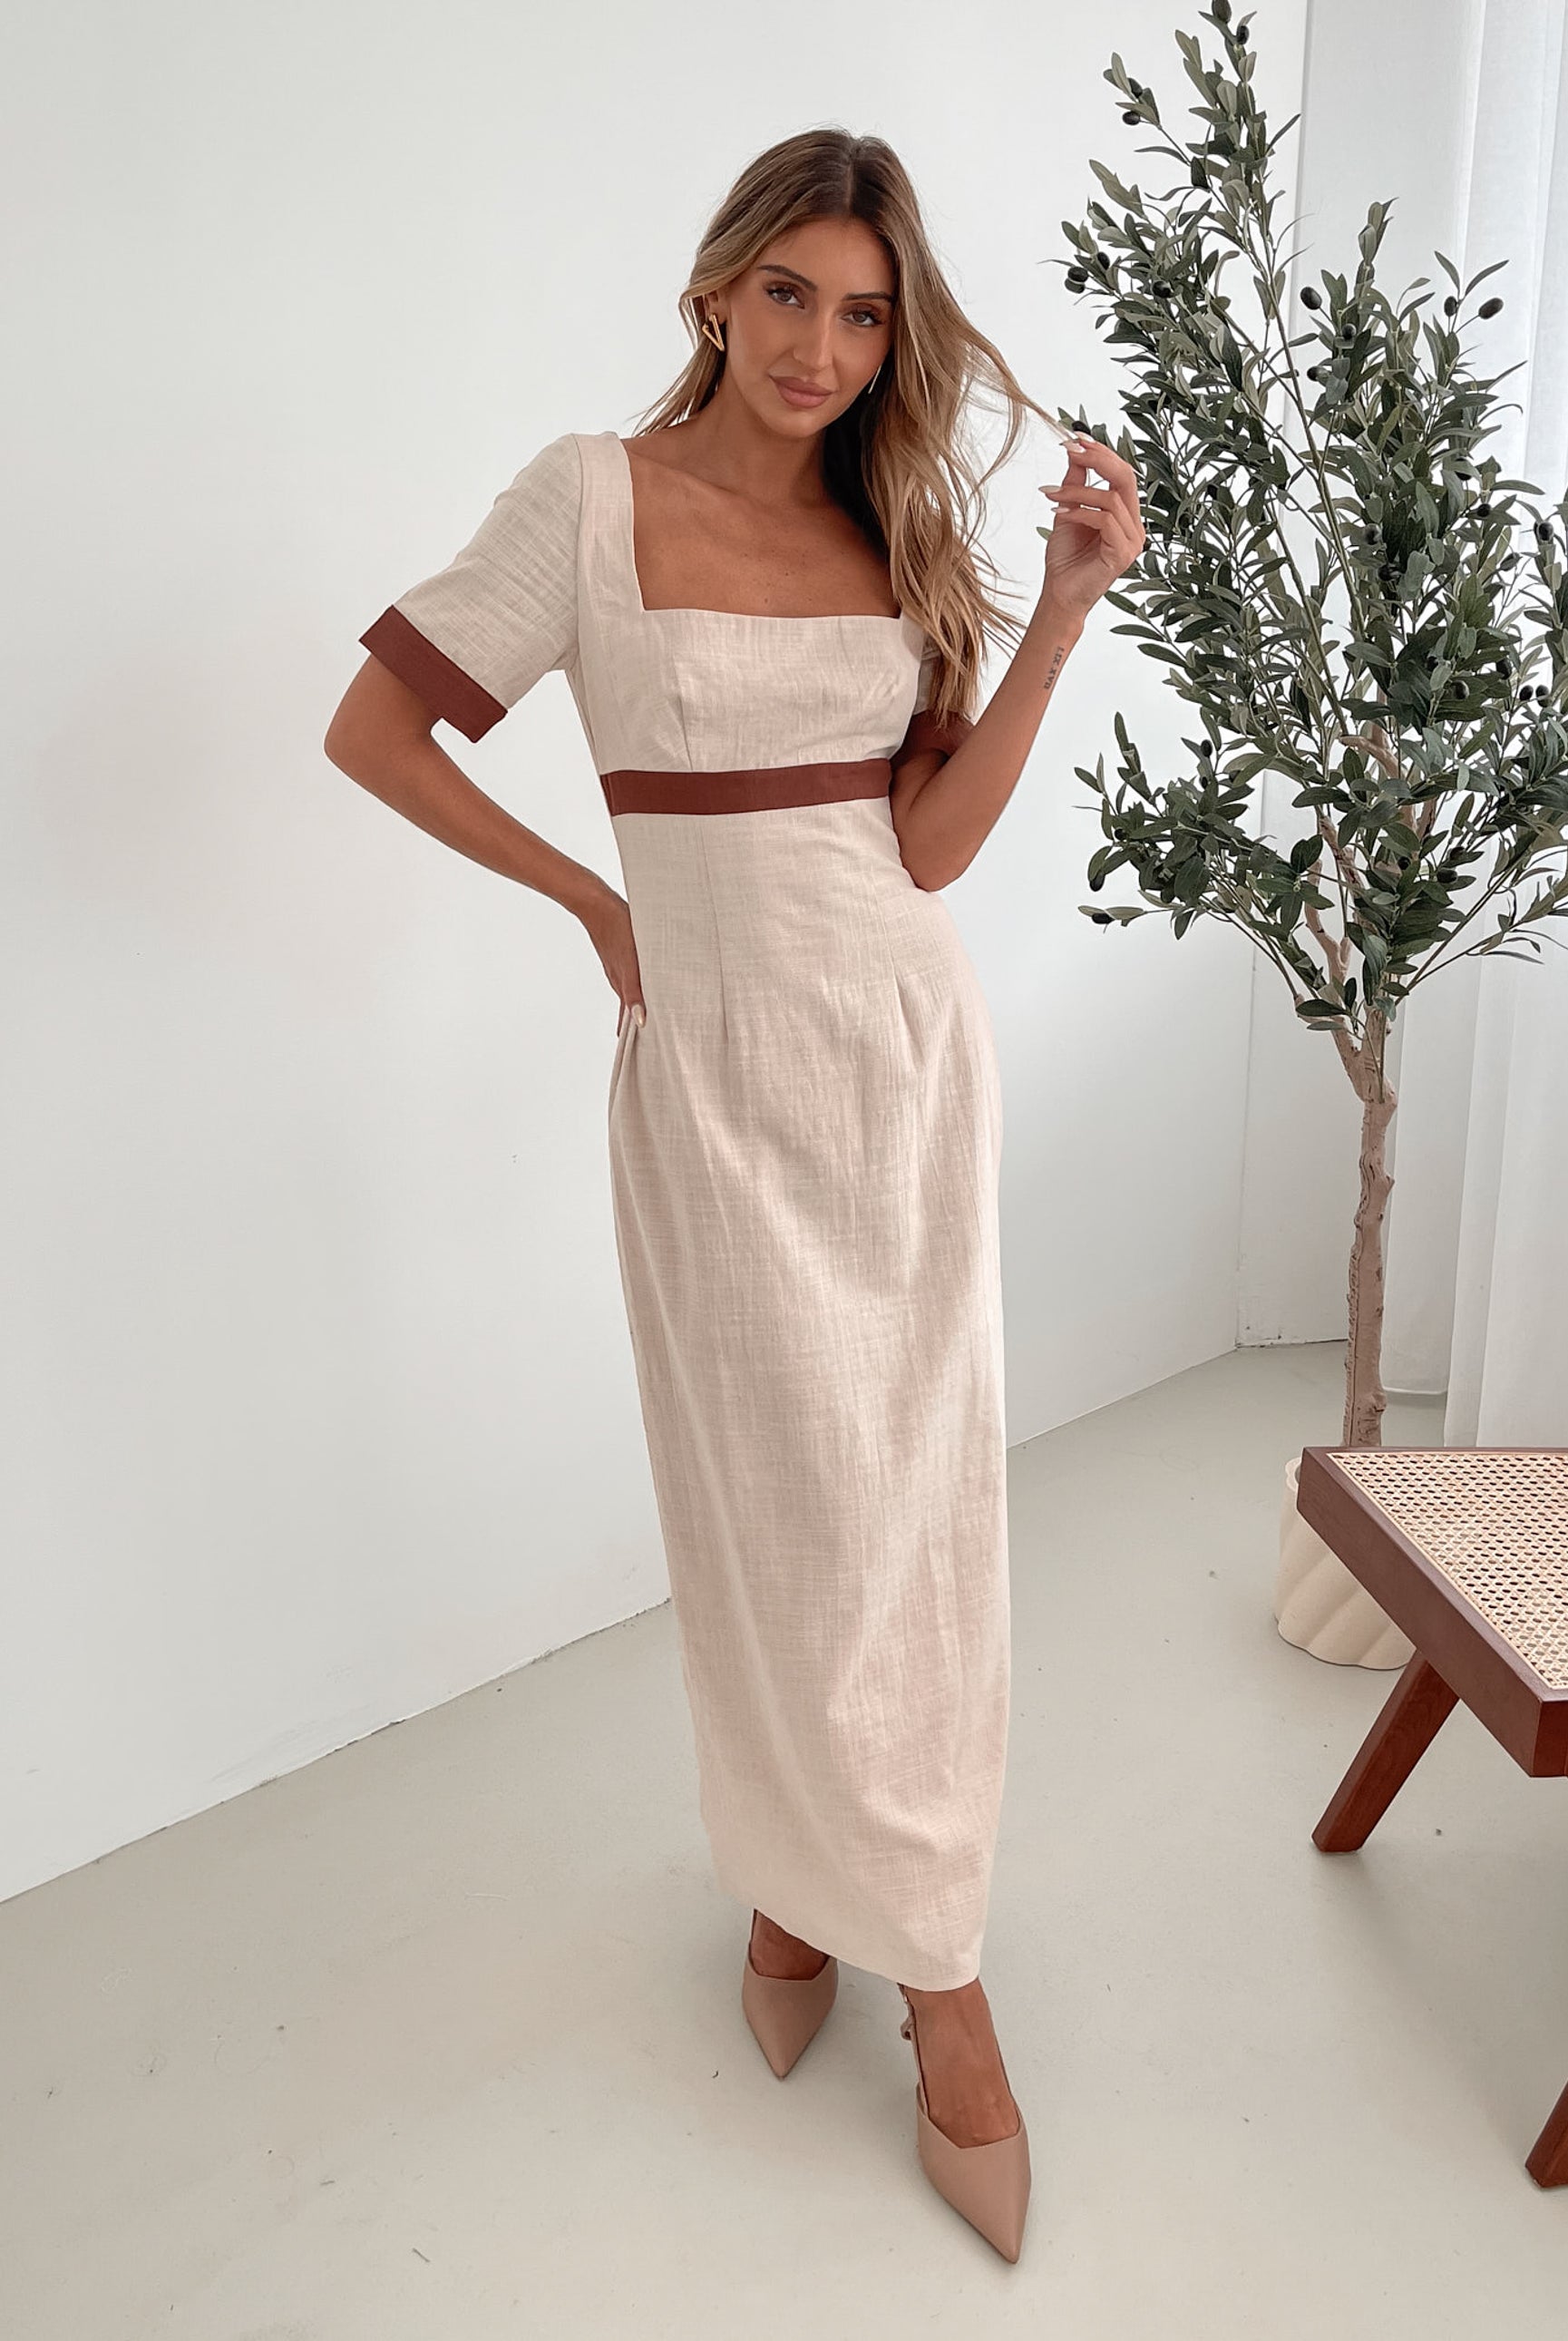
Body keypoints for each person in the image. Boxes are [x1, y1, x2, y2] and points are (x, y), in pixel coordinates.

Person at [324, 126, 1143, 2262]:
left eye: (865, 313)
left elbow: (931, 850)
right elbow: (379, 733)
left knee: (908, 1512)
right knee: (769, 1500)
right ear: (718, 286)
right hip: (711, 1080)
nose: (822, 345)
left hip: (900, 1055)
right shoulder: (587, 503)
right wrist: (590, 894)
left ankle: (881, 1931)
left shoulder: (895, 529)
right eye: (790, 293)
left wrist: (1055, 615)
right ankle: (854, 1919)